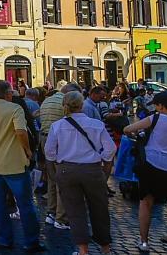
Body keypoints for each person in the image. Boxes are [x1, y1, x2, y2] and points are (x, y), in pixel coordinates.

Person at [0, 80, 44, 252]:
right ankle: (31, 241)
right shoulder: (14, 109)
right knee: (25, 204)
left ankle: (5, 239)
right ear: (8, 93)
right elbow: (20, 131)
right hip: (15, 165)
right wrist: (27, 150)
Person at [124, 89, 167, 254]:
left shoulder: (156, 119)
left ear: (162, 106)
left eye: (156, 106)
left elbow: (128, 129)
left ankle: (144, 242)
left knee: (146, 203)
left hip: (152, 167)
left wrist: (138, 133)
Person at [45, 91, 116, 255]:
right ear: (82, 105)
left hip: (67, 170)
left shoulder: (57, 126)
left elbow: (49, 152)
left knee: (75, 211)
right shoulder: (96, 125)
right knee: (100, 209)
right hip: (92, 169)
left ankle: (83, 250)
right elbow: (111, 148)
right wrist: (102, 161)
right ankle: (105, 248)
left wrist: (55, 169)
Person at [39, 83, 79, 230]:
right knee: (63, 179)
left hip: (44, 139)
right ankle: (61, 217)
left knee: (52, 178)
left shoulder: (47, 100)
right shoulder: (68, 102)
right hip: (59, 140)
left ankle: (51, 212)